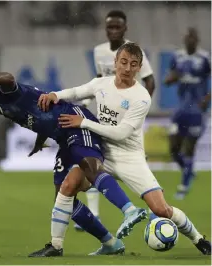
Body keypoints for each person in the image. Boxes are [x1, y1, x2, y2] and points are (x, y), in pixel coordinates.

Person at [38, 42, 211, 256]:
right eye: (124, 62)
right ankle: (56, 245)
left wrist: (83, 123)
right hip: (101, 152)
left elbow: (120, 133)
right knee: (68, 186)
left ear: (139, 68)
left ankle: (198, 239)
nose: (127, 68)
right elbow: (76, 91)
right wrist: (56, 94)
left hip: (130, 157)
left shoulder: (141, 97)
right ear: (115, 62)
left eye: (133, 64)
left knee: (160, 209)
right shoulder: (101, 83)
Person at [0, 71, 146, 256]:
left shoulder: (8, 95)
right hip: (62, 136)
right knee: (62, 198)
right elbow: (40, 116)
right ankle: (106, 243)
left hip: (76, 123)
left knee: (89, 164)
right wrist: (40, 141)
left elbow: (9, 78)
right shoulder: (3, 108)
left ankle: (130, 210)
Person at [78, 10, 156, 229]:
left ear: (125, 29)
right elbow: (101, 81)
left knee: (137, 167)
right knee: (93, 160)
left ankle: (153, 209)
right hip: (107, 115)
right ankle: (94, 214)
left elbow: (150, 80)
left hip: (129, 116)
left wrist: (140, 107)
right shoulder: (98, 51)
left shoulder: (133, 51)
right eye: (109, 27)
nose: (113, 31)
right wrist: (85, 104)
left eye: (117, 27)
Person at [164, 27, 211, 200]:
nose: (190, 41)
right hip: (180, 111)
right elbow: (169, 78)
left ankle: (183, 186)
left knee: (189, 149)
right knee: (173, 149)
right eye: (187, 38)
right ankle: (188, 170)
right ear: (184, 40)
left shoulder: (205, 58)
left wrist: (207, 98)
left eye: (193, 38)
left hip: (197, 112)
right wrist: (171, 79)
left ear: (197, 41)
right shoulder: (177, 56)